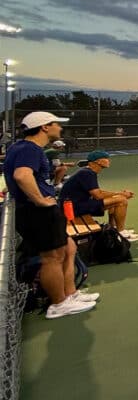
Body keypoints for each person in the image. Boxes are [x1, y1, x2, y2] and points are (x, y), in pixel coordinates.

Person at [3, 111, 98, 319]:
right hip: (38, 212)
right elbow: (22, 175)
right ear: (45, 127)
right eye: (56, 124)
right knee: (52, 258)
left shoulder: (23, 148)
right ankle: (58, 303)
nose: (60, 128)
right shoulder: (30, 149)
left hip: (40, 211)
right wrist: (39, 200)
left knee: (69, 247)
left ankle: (70, 293)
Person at [59, 150, 138, 242]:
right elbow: (98, 196)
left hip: (75, 205)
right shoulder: (87, 173)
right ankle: (122, 232)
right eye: (106, 159)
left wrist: (119, 193)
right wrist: (121, 194)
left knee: (115, 199)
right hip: (72, 209)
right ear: (98, 161)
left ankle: (113, 228)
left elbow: (97, 192)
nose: (109, 161)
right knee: (121, 200)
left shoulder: (88, 172)